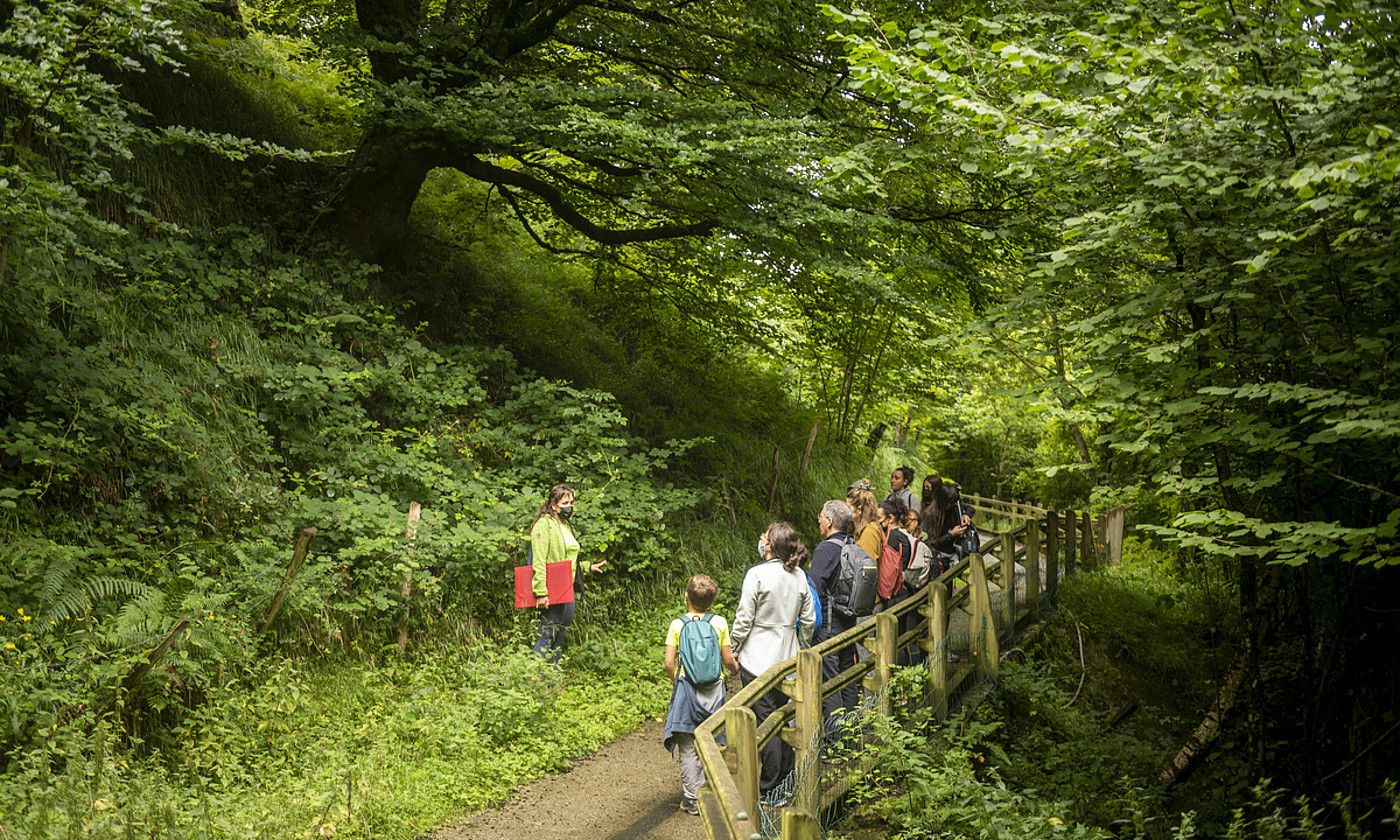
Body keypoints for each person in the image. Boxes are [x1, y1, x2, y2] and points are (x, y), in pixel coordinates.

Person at [731, 522, 817, 798]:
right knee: (783, 717)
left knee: (765, 721)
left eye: (764, 537)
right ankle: (787, 779)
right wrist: (802, 647)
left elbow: (744, 618)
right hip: (787, 655)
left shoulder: (756, 574)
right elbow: (809, 620)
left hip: (756, 657)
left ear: (770, 545)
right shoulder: (799, 575)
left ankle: (771, 787)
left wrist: (734, 647)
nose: (760, 539)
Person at [663, 574, 739, 816]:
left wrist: (678, 679)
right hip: (714, 689)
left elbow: (668, 663)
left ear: (686, 597)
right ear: (712, 601)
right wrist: (735, 670)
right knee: (715, 741)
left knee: (687, 745)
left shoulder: (678, 625)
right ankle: (712, 790)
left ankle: (693, 799)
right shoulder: (719, 623)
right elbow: (728, 660)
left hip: (687, 690)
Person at [530, 484, 607, 663]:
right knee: (547, 632)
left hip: (568, 587)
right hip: (552, 588)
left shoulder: (565, 525)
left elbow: (569, 557)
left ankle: (553, 675)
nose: (569, 506)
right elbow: (539, 560)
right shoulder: (544, 526)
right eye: (565, 503)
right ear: (554, 505)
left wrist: (588, 567)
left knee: (561, 633)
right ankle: (535, 675)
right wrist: (541, 592)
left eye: (571, 502)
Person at [809, 499, 861, 718]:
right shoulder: (852, 544)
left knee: (829, 682)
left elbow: (814, 588)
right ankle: (852, 733)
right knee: (847, 676)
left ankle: (835, 742)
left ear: (829, 521)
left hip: (830, 624)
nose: (819, 520)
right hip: (849, 619)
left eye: (821, 516)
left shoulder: (826, 548)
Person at [847, 481, 883, 565]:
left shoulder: (869, 532)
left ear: (859, 510)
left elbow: (868, 569)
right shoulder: (859, 529)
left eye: (848, 507)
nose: (846, 510)